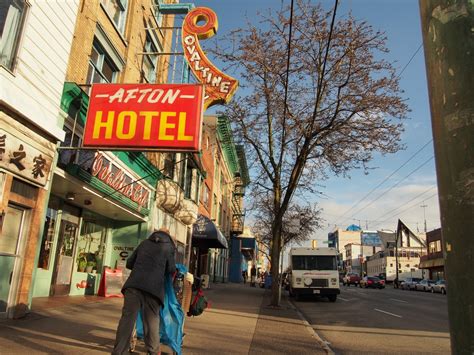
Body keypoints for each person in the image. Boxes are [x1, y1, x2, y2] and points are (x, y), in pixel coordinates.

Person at [112, 229, 176, 355]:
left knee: (127, 320)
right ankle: (153, 351)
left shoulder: (144, 243)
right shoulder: (168, 247)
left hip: (133, 286)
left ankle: (119, 352)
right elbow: (171, 269)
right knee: (151, 322)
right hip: (153, 289)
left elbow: (129, 263)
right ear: (168, 236)